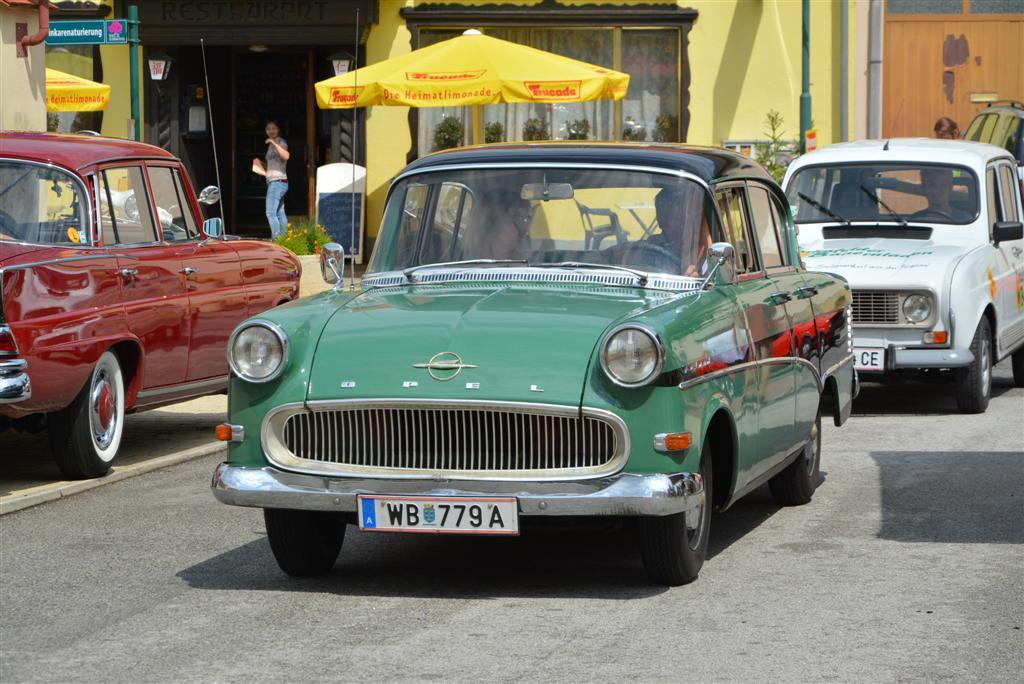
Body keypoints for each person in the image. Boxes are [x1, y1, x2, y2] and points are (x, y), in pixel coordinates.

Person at [463, 190, 532, 260]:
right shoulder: (465, 266)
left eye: (528, 218)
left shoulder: (524, 261)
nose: (527, 229)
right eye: (519, 216)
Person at [251, 120, 290, 239]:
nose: (271, 131)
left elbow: (286, 156)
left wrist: (274, 142)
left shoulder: (280, 142)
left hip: (277, 182)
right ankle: (284, 240)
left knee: (270, 213)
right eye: (268, 129)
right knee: (279, 212)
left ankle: (277, 240)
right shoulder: (271, 146)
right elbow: (274, 165)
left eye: (273, 128)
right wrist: (259, 164)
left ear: (278, 130)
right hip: (277, 181)